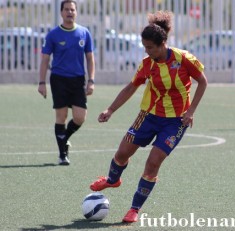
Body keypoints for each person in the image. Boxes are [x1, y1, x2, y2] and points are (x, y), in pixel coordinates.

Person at [89, 11, 208, 223]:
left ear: (162, 44)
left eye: (150, 47)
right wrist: (110, 110)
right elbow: (131, 87)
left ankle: (134, 208)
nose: (147, 51)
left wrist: (191, 112)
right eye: (145, 47)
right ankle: (112, 180)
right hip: (148, 116)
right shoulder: (147, 63)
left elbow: (203, 82)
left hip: (175, 122)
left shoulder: (183, 59)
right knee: (122, 153)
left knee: (153, 163)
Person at [38, 0, 95, 165]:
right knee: (61, 116)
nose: (70, 12)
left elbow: (90, 59)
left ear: (76, 12)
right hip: (59, 79)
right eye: (67, 9)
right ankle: (62, 154)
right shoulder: (53, 34)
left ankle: (64, 140)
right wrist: (41, 83)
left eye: (72, 9)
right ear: (61, 12)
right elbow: (45, 60)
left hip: (78, 80)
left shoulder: (84, 33)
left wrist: (91, 80)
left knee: (80, 117)